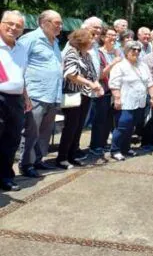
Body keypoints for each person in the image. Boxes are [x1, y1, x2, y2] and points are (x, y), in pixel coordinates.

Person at [18, 10, 63, 178]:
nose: (60, 26)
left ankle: (38, 160)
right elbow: (19, 65)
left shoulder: (56, 42)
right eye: (56, 23)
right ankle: (26, 164)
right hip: (35, 94)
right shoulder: (29, 39)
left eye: (60, 23)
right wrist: (25, 94)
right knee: (31, 131)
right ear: (44, 23)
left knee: (45, 131)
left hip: (52, 94)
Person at [57, 29, 104, 169]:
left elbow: (91, 74)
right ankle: (62, 158)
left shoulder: (87, 55)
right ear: (82, 40)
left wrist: (96, 85)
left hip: (85, 95)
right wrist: (89, 83)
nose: (94, 41)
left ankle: (72, 155)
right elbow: (71, 74)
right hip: (73, 95)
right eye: (91, 38)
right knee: (70, 127)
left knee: (78, 127)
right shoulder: (72, 52)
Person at [109, 41, 153, 161]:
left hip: (140, 101)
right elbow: (114, 84)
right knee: (123, 126)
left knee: (132, 126)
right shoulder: (120, 66)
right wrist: (117, 99)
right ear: (126, 51)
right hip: (125, 101)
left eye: (138, 50)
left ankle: (126, 148)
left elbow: (149, 82)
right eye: (133, 49)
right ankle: (115, 150)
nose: (136, 52)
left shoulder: (143, 65)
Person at [0, 11, 31, 191]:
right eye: (9, 23)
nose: (13, 28)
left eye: (18, 26)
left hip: (17, 99)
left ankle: (5, 177)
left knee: (12, 140)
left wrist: (26, 97)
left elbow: (21, 75)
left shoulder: (21, 49)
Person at [89, 28, 122, 156]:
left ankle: (103, 144)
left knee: (109, 120)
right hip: (102, 90)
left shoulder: (117, 53)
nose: (113, 38)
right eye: (110, 36)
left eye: (115, 36)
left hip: (115, 91)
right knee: (99, 119)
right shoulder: (98, 53)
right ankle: (95, 145)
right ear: (103, 38)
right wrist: (113, 63)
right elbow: (100, 75)